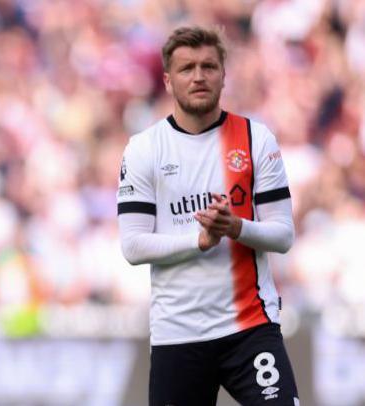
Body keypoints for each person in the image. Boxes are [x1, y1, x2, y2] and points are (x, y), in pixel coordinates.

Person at [117, 26, 299, 405]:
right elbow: (133, 245)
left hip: (250, 327)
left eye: (208, 66)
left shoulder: (255, 139)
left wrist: (236, 227)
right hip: (178, 333)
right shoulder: (144, 149)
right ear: (168, 81)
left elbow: (282, 235)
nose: (198, 76)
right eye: (186, 69)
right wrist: (198, 241)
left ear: (223, 75)